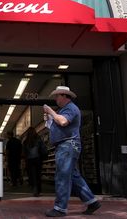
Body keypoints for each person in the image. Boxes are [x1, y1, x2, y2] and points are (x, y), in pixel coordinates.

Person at [43, 86, 101, 217]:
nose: (56, 98)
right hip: (67, 146)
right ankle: (92, 202)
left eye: (57, 95)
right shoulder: (65, 109)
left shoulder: (70, 108)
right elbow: (58, 123)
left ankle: (60, 208)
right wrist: (50, 118)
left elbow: (63, 122)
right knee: (74, 177)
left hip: (67, 145)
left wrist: (51, 112)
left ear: (64, 96)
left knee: (62, 176)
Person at [22, 127, 44, 197]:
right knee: (38, 174)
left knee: (32, 174)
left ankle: (34, 187)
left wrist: (24, 160)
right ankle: (38, 189)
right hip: (38, 159)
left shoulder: (26, 141)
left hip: (29, 160)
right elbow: (42, 148)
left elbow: (24, 152)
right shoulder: (38, 139)